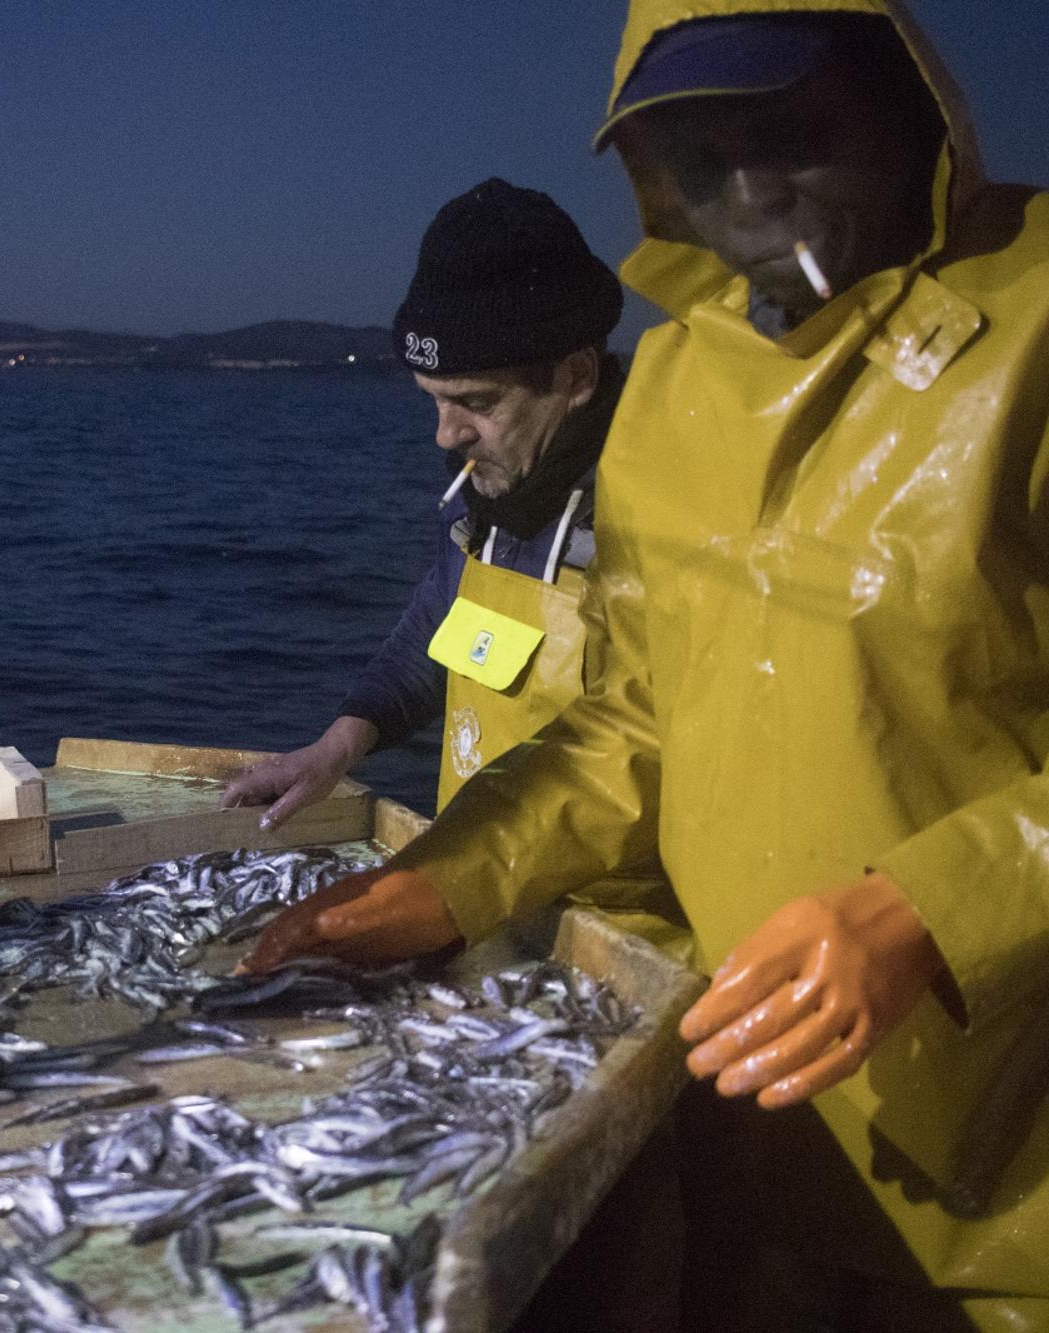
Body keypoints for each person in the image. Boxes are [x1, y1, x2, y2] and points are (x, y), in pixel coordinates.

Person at [247, 3, 1049, 1326]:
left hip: (1007, 1163)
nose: (754, 184)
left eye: (790, 129)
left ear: (907, 104)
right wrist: (448, 880)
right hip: (744, 1123)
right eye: (700, 148)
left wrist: (927, 909)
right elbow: (637, 720)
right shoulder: (676, 384)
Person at [221, 180, 630, 826]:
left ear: (575, 377)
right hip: (479, 887)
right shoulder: (485, 498)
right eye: (433, 398)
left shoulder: (654, 514)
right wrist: (336, 748)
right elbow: (441, 627)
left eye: (477, 402)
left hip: (619, 919)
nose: (446, 434)